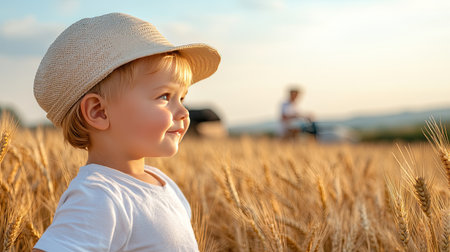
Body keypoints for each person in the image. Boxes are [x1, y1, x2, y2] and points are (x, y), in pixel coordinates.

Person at [32, 13, 220, 251]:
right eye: (164, 97)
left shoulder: (165, 185)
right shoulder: (98, 197)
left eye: (182, 97)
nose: (183, 111)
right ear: (99, 111)